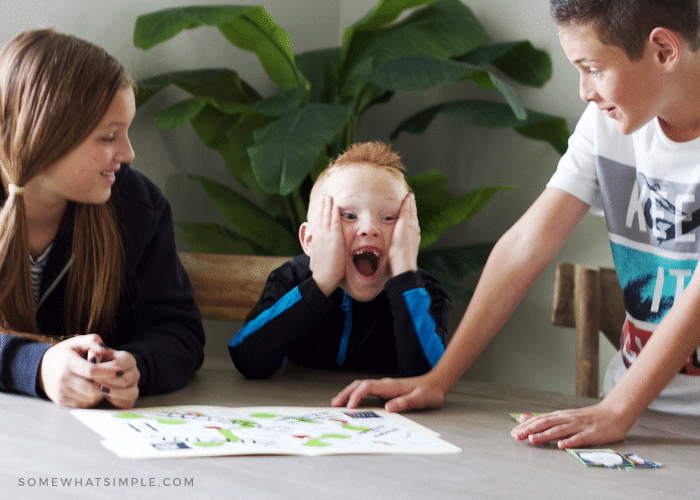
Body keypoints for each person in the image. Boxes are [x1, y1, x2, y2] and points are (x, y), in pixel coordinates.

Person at [332, 0, 700, 449]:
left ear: (663, 50)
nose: (584, 90)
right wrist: (439, 378)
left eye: (593, 68)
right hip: (632, 417)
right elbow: (527, 242)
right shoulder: (607, 123)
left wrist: (616, 411)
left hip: (642, 419)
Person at [0, 29, 205, 409]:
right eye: (109, 137)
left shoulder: (138, 205)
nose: (127, 153)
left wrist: (135, 366)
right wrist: (36, 366)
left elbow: (179, 334)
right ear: (44, 136)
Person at [229, 142, 449, 379]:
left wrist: (405, 273)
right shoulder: (291, 279)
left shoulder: (424, 292)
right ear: (310, 240)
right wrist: (322, 283)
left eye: (388, 217)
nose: (369, 228)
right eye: (349, 216)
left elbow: (428, 378)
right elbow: (246, 358)